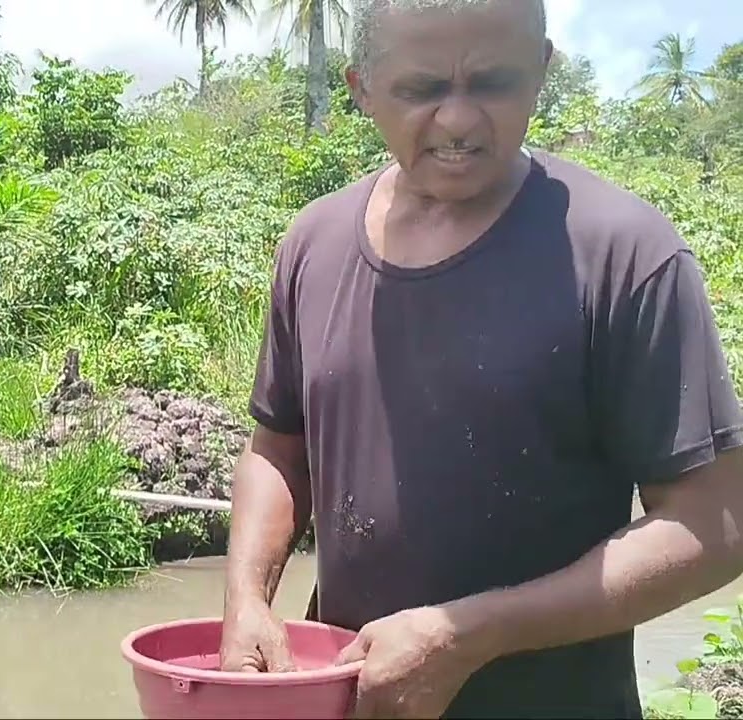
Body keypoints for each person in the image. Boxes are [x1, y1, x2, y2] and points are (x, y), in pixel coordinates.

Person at [216, 0, 743, 718]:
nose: (458, 119)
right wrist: (247, 600)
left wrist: (469, 636)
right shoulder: (316, 244)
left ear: (542, 73)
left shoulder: (623, 254)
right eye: (422, 89)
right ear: (361, 88)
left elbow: (714, 525)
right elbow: (278, 451)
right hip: (347, 698)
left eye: (492, 83)